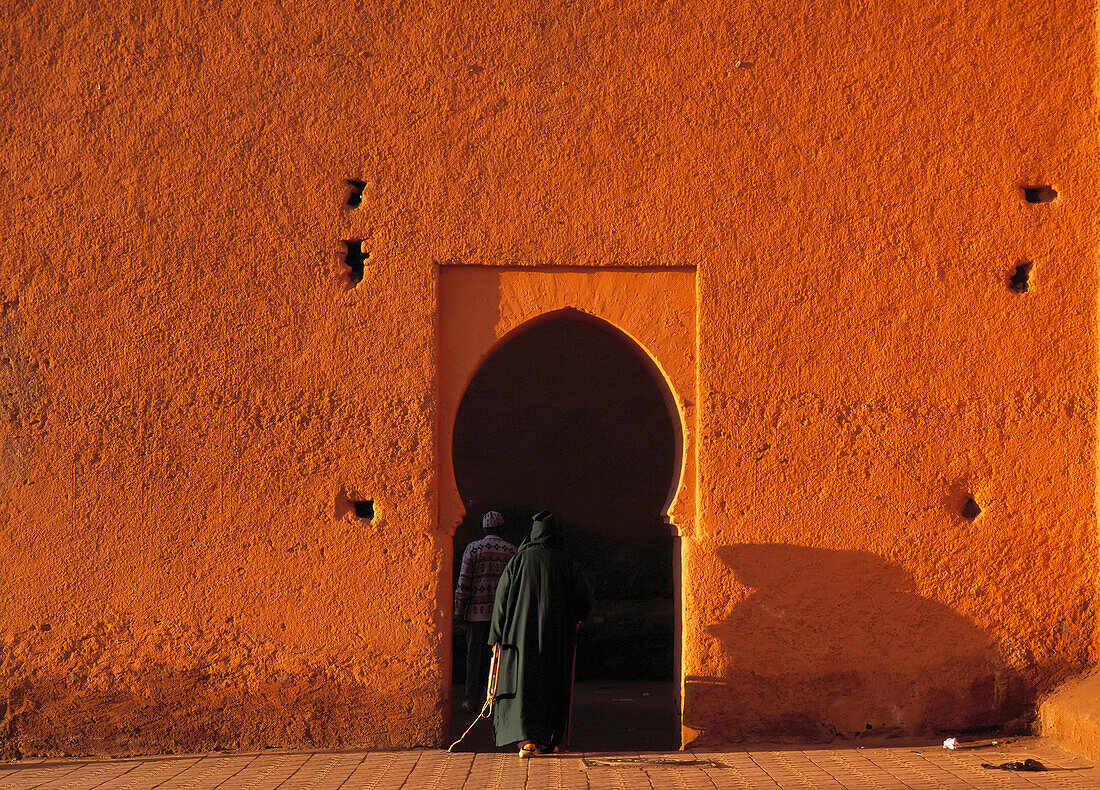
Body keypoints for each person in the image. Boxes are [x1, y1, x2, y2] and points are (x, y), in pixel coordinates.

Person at [489, 511, 592, 757]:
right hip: (556, 638)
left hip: (518, 638)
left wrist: (495, 637)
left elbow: (501, 601)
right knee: (551, 682)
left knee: (522, 683)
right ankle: (549, 740)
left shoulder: (518, 561)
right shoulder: (565, 562)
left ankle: (527, 740)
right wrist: (576, 619)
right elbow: (584, 599)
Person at [454, 510, 517, 712]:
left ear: (483, 529)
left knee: (474, 660)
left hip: (475, 616)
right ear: (501, 528)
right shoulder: (511, 551)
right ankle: (498, 703)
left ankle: (472, 701)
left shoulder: (472, 549)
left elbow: (464, 583)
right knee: (500, 658)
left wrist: (459, 611)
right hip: (502, 617)